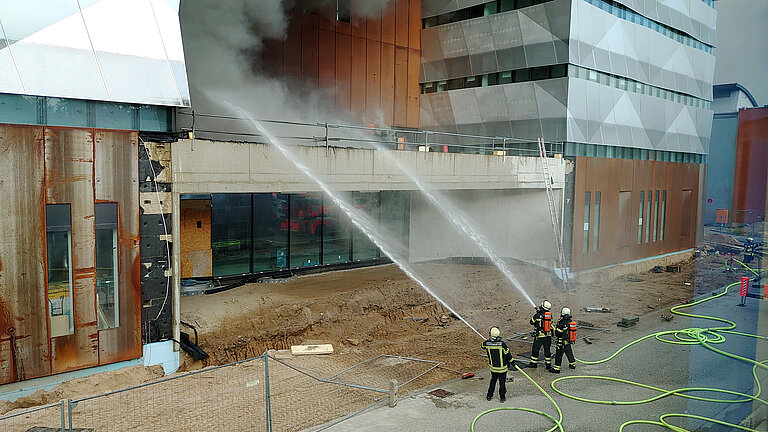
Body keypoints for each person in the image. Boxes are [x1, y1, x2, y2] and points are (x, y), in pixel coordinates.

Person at [482, 326, 511, 402]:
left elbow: (482, 345)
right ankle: (502, 397)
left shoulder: (487, 343)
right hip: (502, 368)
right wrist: (512, 361)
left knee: (493, 381)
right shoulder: (502, 344)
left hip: (493, 368)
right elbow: (508, 354)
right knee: (502, 383)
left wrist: (488, 341)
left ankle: (489, 395)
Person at [550, 307, 577, 374]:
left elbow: (558, 334)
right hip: (568, 342)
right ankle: (573, 364)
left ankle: (556, 368)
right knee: (569, 353)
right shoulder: (570, 322)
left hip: (561, 343)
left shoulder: (561, 323)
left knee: (558, 355)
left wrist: (556, 330)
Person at [528, 300, 553, 369]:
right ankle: (548, 364)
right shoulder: (550, 315)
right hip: (548, 336)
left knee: (535, 349)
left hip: (540, 336)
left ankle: (533, 363)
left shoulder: (538, 316)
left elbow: (531, 322)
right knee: (547, 350)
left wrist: (537, 314)